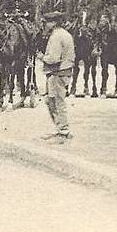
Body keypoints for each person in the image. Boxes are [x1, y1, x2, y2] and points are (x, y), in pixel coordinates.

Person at [41, 11, 75, 141]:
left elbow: (53, 59)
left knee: (55, 102)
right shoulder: (66, 34)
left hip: (57, 73)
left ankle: (63, 131)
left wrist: (42, 57)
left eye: (48, 22)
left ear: (54, 23)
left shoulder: (56, 36)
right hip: (64, 72)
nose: (46, 24)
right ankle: (61, 129)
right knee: (54, 101)